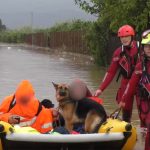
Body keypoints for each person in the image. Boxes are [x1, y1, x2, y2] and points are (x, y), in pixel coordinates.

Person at [94, 25, 140, 122]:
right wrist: (100, 89)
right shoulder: (118, 53)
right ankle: (127, 128)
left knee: (144, 110)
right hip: (126, 82)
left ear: (132, 37)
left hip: (140, 82)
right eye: (122, 37)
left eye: (126, 37)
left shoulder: (142, 48)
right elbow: (110, 72)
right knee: (126, 111)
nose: (124, 39)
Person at [120, 29, 150, 150]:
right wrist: (123, 100)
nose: (148, 48)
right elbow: (131, 86)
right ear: (143, 47)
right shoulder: (140, 66)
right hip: (144, 103)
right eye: (146, 46)